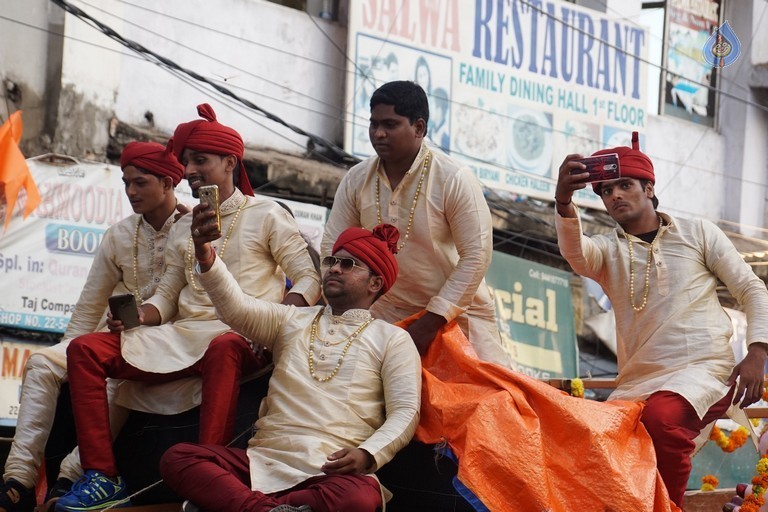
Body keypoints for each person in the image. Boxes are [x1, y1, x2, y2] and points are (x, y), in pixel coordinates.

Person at [56, 104, 322, 512]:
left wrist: (277, 320)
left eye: (200, 160)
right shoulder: (184, 224)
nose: (190, 169)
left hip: (242, 337)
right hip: (183, 334)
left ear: (230, 162)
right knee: (84, 349)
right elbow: (165, 297)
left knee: (223, 347)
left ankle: (206, 475)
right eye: (187, 161)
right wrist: (137, 317)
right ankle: (101, 476)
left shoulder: (266, 213)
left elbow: (309, 278)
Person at [553, 132, 768, 508]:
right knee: (592, 435)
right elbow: (576, 254)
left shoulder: (698, 233)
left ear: (649, 188)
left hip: (706, 371)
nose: (615, 195)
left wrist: (757, 352)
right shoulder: (606, 250)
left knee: (663, 417)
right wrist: (563, 201)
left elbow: (752, 288)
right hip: (638, 381)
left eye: (625, 185)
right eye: (605, 191)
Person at [158, 221, 421, 512]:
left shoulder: (393, 339)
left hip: (328, 469)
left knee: (360, 497)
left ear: (375, 283)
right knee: (178, 457)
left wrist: (368, 453)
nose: (334, 268)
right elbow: (237, 308)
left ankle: (235, 505)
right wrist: (207, 257)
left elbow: (406, 411)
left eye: (348, 264)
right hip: (264, 459)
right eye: (332, 261)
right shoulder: (292, 319)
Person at [0, 141, 185, 512]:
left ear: (167, 183)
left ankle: (70, 475)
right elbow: (88, 309)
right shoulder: (117, 235)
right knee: (41, 363)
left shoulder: (190, 232)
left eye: (141, 183)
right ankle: (17, 479)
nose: (131, 192)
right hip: (108, 339)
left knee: (119, 376)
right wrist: (68, 356)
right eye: (125, 182)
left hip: (167, 345)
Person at [322, 80, 510, 367]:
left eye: (390, 124)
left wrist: (431, 321)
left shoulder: (453, 178)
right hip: (384, 312)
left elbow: (477, 255)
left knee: (487, 402)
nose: (378, 133)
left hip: (457, 315)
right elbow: (333, 246)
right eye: (373, 124)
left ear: (419, 128)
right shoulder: (357, 179)